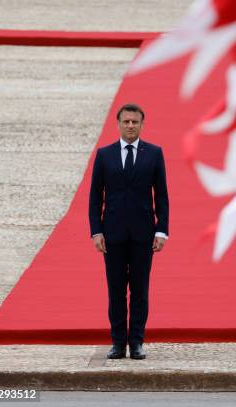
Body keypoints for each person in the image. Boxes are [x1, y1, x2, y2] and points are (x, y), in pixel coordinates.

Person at [88, 103, 169, 359]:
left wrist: (161, 231)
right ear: (118, 124)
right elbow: (94, 198)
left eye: (135, 122)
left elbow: (162, 196)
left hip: (143, 235)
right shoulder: (104, 155)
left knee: (140, 290)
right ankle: (117, 343)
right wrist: (96, 231)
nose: (131, 126)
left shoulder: (154, 154)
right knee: (116, 291)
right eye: (126, 122)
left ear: (142, 124)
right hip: (112, 235)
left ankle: (136, 343)